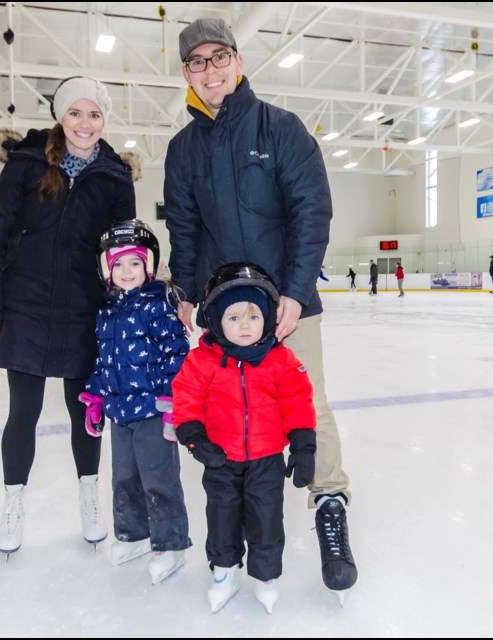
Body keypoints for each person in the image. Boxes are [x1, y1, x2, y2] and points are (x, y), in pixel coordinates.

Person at [163, 18, 357, 597]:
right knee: (231, 413)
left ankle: (329, 507)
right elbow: (186, 230)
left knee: (308, 404)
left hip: (289, 305)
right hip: (225, 313)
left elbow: (311, 213)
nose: (211, 69)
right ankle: (237, 527)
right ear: (187, 73)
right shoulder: (183, 148)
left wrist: (296, 291)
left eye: (219, 57)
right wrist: (186, 294)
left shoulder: (282, 129)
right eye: (198, 62)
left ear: (238, 61)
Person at [0, 76, 137, 558]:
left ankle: (89, 496)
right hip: (25, 304)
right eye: (76, 113)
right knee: (22, 412)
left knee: (85, 413)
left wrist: (123, 312)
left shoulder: (113, 176)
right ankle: (13, 504)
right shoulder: (25, 163)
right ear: (60, 117)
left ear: (104, 121)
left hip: (84, 309)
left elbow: (122, 248)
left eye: (95, 115)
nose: (85, 124)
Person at [173, 263, 317, 614]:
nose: (245, 325)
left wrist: (304, 443)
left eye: (253, 316)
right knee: (222, 515)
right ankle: (224, 571)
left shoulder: (280, 360)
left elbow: (298, 401)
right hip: (220, 459)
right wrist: (194, 436)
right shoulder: (202, 361)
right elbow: (186, 398)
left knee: (266, 517)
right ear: (217, 321)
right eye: (233, 318)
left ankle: (266, 575)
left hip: (267, 460)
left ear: (267, 318)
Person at [79, 220, 191, 585]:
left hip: (153, 413)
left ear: (149, 266)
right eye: (119, 264)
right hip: (119, 412)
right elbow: (103, 358)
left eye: (135, 264)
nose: (127, 272)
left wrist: (172, 400)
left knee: (159, 478)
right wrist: (96, 396)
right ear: (107, 269)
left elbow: (177, 352)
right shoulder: (106, 311)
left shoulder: (158, 304)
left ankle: (170, 543)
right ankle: (133, 534)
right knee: (124, 478)